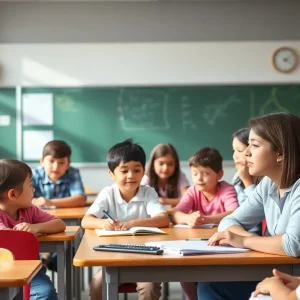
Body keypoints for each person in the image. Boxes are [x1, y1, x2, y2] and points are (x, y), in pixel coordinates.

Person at [197, 112, 300, 300]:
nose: (246, 152)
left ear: (281, 153)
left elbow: (291, 245)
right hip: (276, 272)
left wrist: (243, 241)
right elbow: (229, 221)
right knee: (209, 285)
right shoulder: (268, 184)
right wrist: (248, 237)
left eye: (255, 145)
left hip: (294, 282)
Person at [81, 139, 169, 300]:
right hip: (114, 260)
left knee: (149, 287)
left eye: (137, 170)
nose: (131, 176)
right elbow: (86, 220)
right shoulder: (108, 193)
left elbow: (163, 219)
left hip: (145, 261)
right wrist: (102, 223)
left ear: (143, 171)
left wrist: (132, 224)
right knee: (97, 284)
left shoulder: (148, 193)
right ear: (111, 173)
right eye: (124, 171)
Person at [172, 147, 238, 300]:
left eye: (206, 173)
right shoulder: (193, 190)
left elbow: (234, 212)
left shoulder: (226, 189)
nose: (199, 179)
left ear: (219, 174)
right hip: (197, 243)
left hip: (221, 246)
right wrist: (187, 219)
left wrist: (208, 219)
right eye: (195, 174)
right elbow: (176, 213)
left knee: (210, 277)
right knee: (185, 272)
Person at [0, 159, 66, 300]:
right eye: (30, 185)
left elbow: (59, 224)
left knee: (46, 294)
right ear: (13, 195)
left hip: (31, 272)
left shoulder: (29, 210)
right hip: (2, 272)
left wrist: (36, 227)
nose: (33, 190)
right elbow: (6, 239)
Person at [32, 140, 86, 208]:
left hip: (66, 217)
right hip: (38, 217)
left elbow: (80, 199)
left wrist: (49, 202)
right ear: (42, 161)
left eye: (61, 162)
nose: (56, 167)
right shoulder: (33, 174)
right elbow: (22, 200)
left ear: (68, 164)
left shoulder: (72, 173)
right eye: (51, 161)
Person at [232, 128, 261, 235]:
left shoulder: (264, 177)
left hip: (255, 234)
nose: (234, 156)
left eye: (239, 151)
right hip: (240, 232)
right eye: (233, 150)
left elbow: (257, 209)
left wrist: (247, 181)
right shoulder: (237, 176)